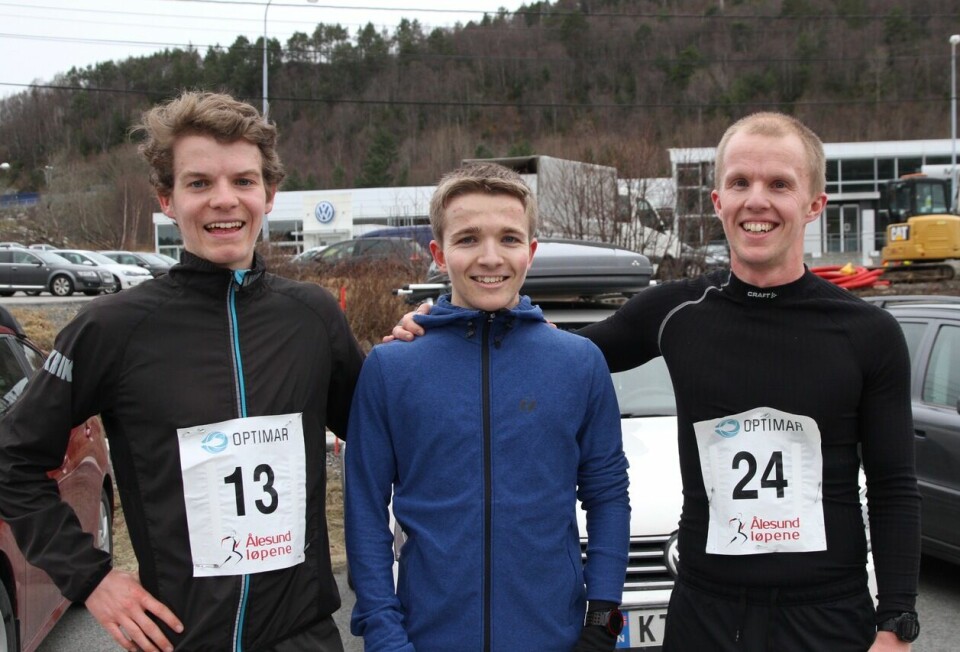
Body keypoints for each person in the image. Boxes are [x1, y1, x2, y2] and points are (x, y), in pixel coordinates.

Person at [389, 113, 922, 651]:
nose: (756, 200)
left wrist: (897, 622)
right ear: (718, 202)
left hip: (828, 617)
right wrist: (440, 328)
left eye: (779, 184)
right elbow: (544, 350)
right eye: (740, 183)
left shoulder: (869, 333)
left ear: (814, 205)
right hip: (706, 616)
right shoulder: (678, 312)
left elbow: (893, 486)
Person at [0, 91, 365, 652]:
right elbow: (13, 460)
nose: (225, 200)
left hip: (303, 636)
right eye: (199, 184)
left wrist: (420, 349)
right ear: (167, 200)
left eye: (243, 181)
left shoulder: (313, 317)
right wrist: (90, 578)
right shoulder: (113, 328)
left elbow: (383, 435)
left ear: (269, 195)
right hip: (180, 639)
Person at [345, 162, 631, 651]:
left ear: (531, 251)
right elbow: (365, 511)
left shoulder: (579, 363)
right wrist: (383, 633)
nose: (490, 257)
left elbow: (607, 495)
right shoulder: (391, 369)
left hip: (554, 638)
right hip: (425, 638)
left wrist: (603, 618)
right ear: (438, 253)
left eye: (509, 239)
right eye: (468, 239)